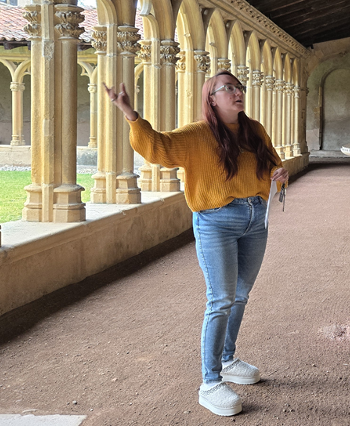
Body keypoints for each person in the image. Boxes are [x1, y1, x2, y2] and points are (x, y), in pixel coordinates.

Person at [105, 70, 288, 417]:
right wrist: (130, 113)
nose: (237, 92)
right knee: (221, 299)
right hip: (216, 222)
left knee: (241, 294)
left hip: (255, 220)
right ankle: (210, 382)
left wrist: (279, 174)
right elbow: (157, 147)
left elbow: (273, 164)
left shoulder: (255, 130)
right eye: (227, 88)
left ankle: (227, 359)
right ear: (211, 99)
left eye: (238, 87)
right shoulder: (197, 135)